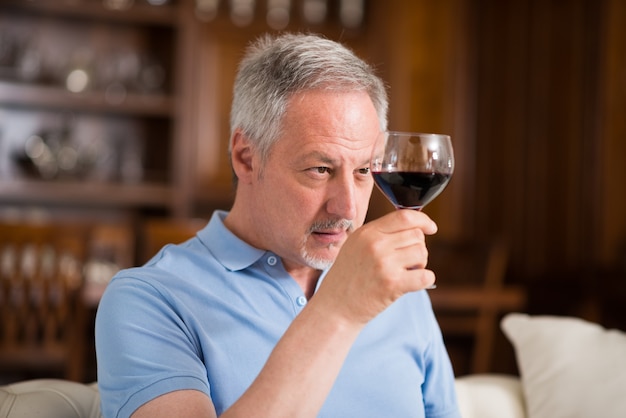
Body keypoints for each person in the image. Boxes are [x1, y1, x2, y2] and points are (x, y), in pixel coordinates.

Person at [95, 32, 461, 418]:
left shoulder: (398, 289)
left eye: (364, 170)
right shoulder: (148, 299)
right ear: (246, 157)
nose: (347, 207)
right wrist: (338, 311)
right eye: (320, 169)